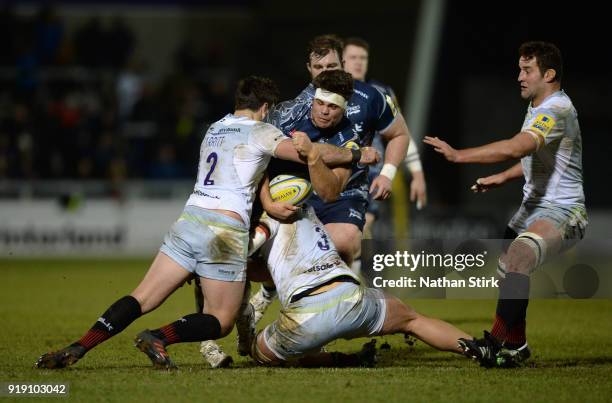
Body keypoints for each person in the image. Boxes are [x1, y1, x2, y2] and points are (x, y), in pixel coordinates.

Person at [35, 76, 355, 370]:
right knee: (221, 318)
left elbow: (247, 167)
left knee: (141, 297)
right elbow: (306, 152)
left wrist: (267, 199)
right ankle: (158, 337)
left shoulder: (214, 128)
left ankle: (77, 348)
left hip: (189, 220)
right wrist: (354, 156)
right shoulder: (262, 130)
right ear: (265, 107)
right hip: (224, 231)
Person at [424, 41, 587, 367]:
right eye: (519, 69)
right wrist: (503, 177)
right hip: (531, 208)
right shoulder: (538, 106)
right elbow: (534, 156)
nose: (519, 77)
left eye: (527, 70)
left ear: (549, 74)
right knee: (509, 270)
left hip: (564, 211)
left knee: (520, 257)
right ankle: (517, 343)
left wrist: (460, 155)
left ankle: (495, 343)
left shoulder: (557, 110)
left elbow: (517, 147)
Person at [199, 69, 364, 368]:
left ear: (345, 107)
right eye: (321, 103)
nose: (325, 111)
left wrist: (318, 157)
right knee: (218, 261)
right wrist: (267, 201)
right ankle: (209, 341)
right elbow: (254, 153)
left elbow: (329, 192)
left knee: (334, 252)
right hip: (254, 198)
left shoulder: (350, 139)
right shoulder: (285, 114)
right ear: (313, 99)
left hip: (297, 211)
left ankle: (301, 329)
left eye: (333, 107)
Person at [247, 191, 473, 367]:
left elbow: (245, 255)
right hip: (353, 297)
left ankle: (341, 360)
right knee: (414, 320)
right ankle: (480, 347)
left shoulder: (265, 219)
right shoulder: (309, 210)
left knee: (259, 352)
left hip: (305, 317)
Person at [342, 37, 427, 240]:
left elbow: (402, 134)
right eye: (353, 57)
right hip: (341, 174)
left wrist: (417, 173)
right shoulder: (331, 94)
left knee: (359, 233)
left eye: (363, 57)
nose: (359, 62)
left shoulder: (382, 93)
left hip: (373, 176)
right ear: (342, 61)